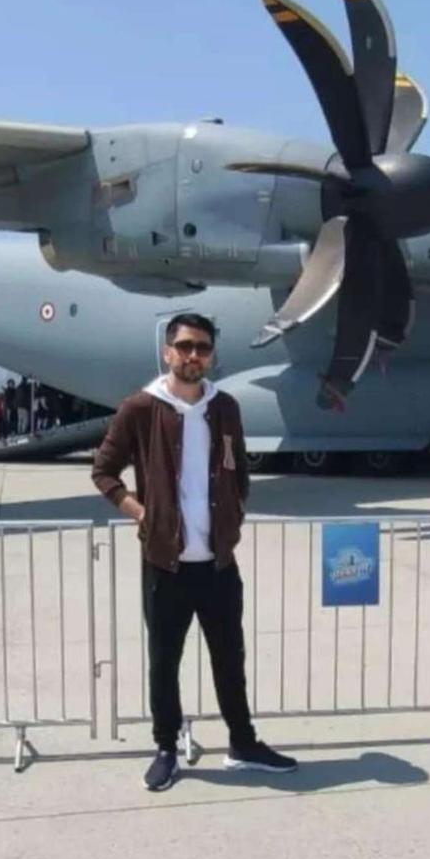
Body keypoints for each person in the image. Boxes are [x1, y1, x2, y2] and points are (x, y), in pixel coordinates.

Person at [91, 312, 297, 792]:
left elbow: (238, 469)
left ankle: (243, 743)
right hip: (166, 565)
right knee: (165, 662)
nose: (193, 356)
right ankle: (166, 748)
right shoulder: (141, 408)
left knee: (230, 659)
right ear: (168, 352)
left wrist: (234, 514)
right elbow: (104, 471)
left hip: (218, 564)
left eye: (202, 348)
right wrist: (141, 513)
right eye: (184, 346)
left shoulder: (224, 408)